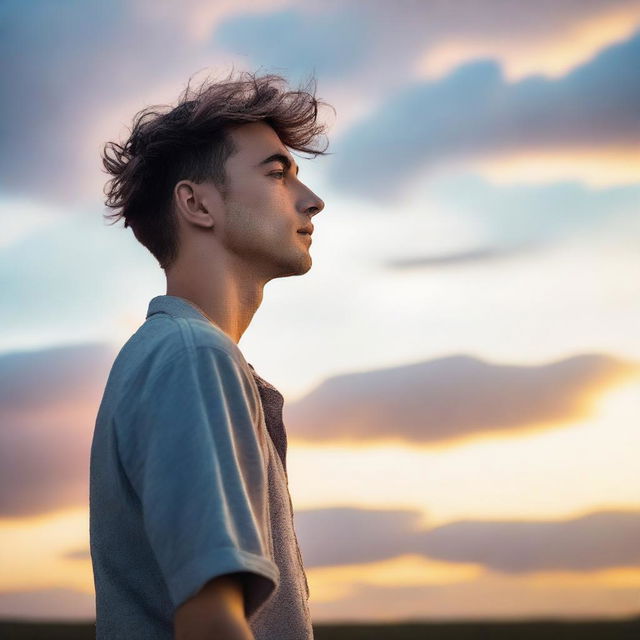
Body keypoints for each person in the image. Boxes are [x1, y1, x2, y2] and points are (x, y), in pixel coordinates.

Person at [89, 69, 331, 639]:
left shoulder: (168, 355)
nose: (313, 201)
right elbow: (210, 623)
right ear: (197, 204)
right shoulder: (193, 358)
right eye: (277, 173)